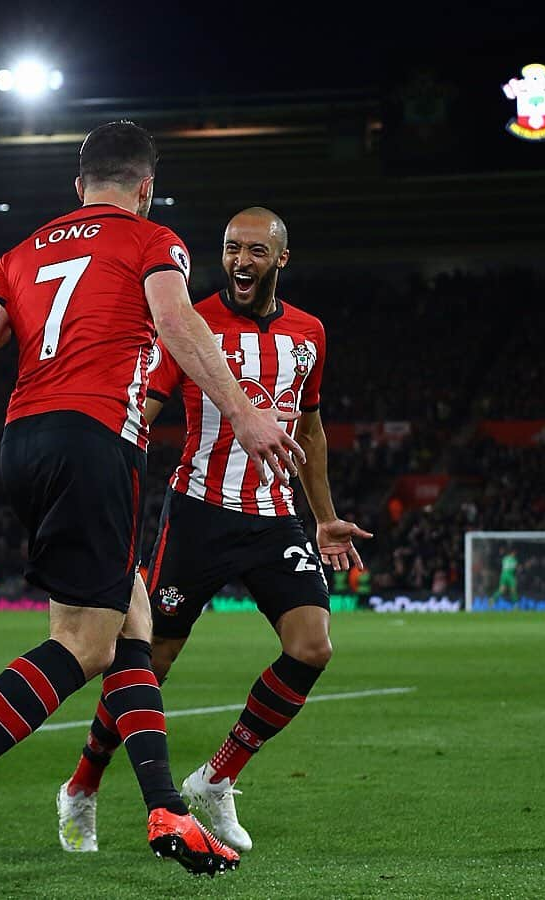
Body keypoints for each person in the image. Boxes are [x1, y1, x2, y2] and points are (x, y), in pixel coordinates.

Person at [0, 122, 306, 887]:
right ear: (145, 186)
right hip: (94, 441)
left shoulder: (20, 252)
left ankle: (160, 806)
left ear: (76, 185)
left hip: (23, 442)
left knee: (131, 621)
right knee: (84, 644)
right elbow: (178, 323)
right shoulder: (152, 240)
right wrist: (246, 412)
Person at [55, 207, 372, 855]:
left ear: (281, 258)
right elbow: (143, 408)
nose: (240, 262)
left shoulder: (309, 335)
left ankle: (218, 776)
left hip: (275, 514)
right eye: (231, 249)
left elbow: (307, 427)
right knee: (153, 661)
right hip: (198, 511)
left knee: (312, 647)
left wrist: (325, 515)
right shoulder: (190, 326)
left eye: (256, 250)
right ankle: (82, 788)